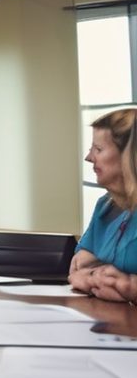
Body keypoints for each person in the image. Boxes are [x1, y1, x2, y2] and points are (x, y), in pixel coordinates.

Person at [69, 109, 137, 302]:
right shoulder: (105, 206)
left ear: (129, 157)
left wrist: (129, 286)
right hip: (109, 322)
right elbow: (77, 271)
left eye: (98, 149)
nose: (89, 157)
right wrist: (97, 279)